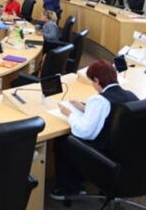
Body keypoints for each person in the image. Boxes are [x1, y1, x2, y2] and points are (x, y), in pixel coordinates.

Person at [50, 60, 139, 199]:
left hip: (105, 153)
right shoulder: (131, 95)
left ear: (97, 80)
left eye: (92, 81)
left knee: (63, 141)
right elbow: (111, 116)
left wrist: (69, 114)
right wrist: (85, 108)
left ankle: (71, 188)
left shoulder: (100, 100)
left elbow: (84, 132)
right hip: (126, 152)